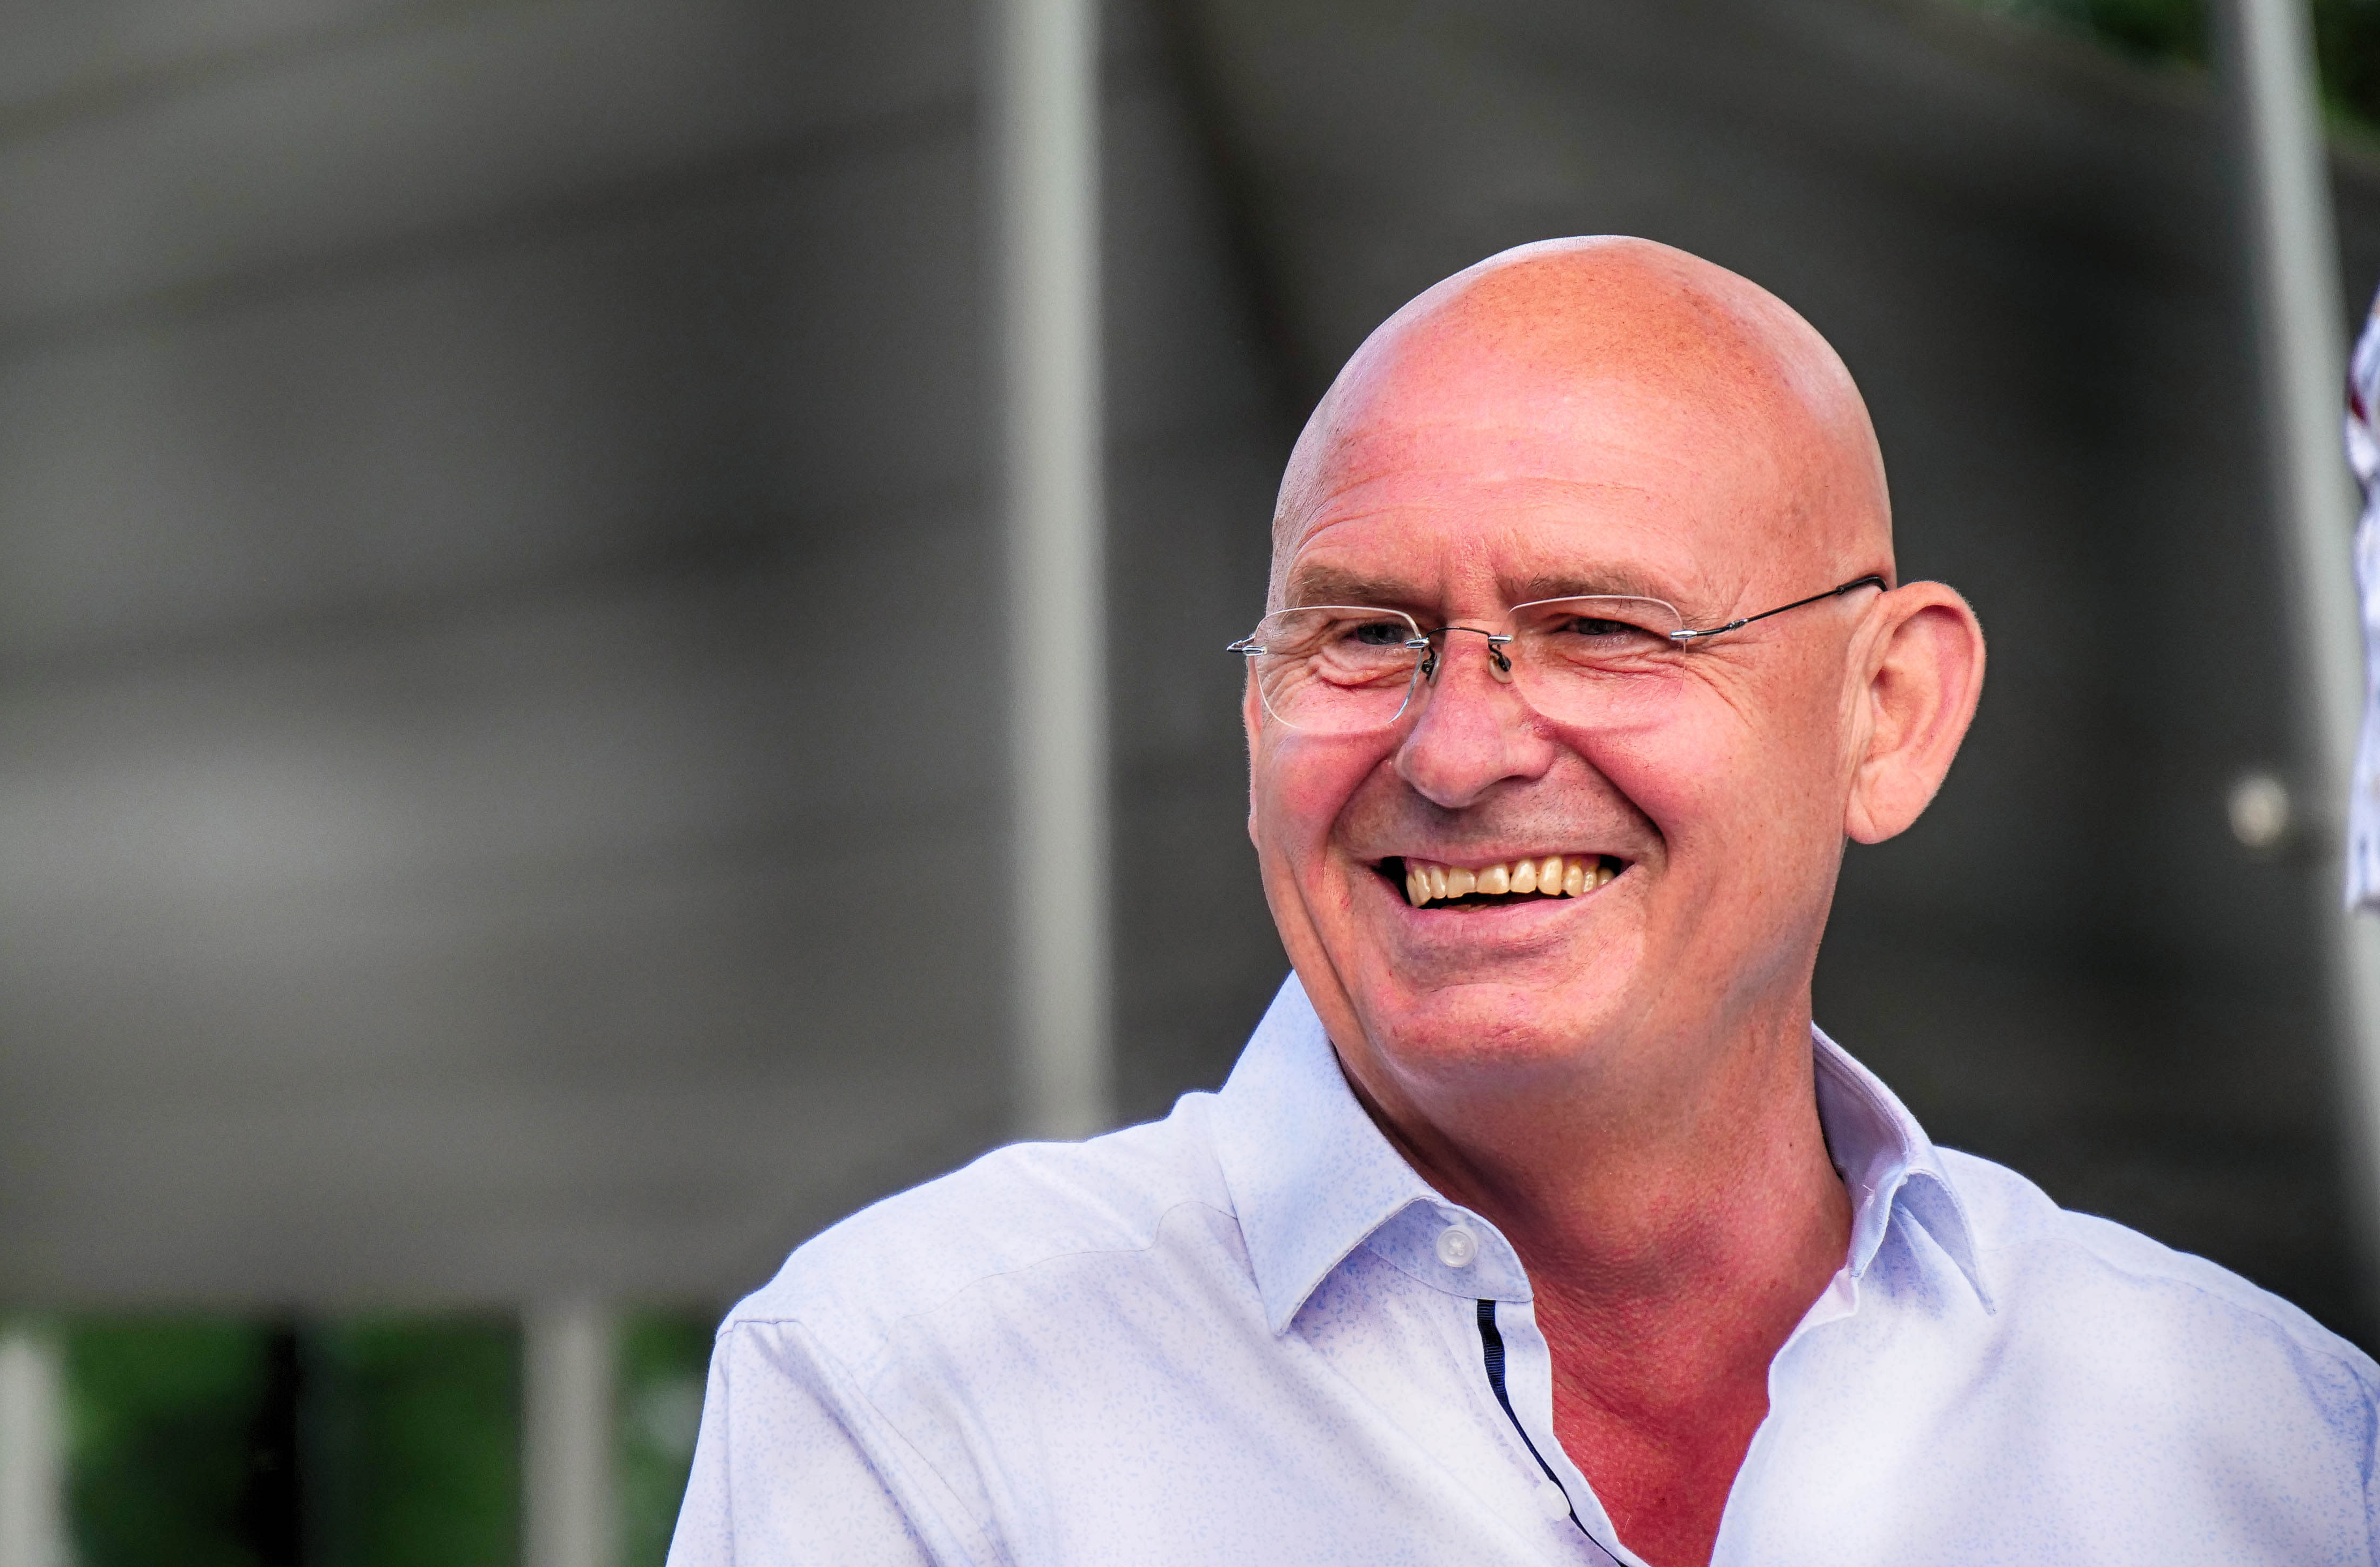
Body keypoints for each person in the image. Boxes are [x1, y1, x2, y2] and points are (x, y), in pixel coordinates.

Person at [668, 238, 2380, 1565]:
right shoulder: (918, 1396)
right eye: (1363, 634)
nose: (1460, 746)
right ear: (1256, 714)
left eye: (1603, 629)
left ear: (1889, 712)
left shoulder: (2268, 1458)